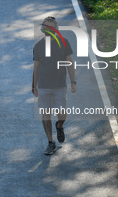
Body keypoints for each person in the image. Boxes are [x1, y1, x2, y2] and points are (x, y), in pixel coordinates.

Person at [32, 16, 76, 155]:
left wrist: (73, 82)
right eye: (45, 27)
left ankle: (59, 125)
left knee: (62, 114)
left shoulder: (64, 43)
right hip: (44, 85)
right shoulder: (38, 46)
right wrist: (34, 85)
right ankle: (50, 142)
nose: (47, 29)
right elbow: (36, 68)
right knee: (46, 113)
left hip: (59, 85)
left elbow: (69, 63)